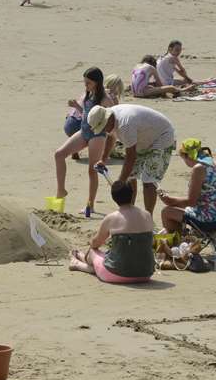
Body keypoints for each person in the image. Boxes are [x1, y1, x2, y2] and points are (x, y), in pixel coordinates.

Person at [85, 103, 174, 215]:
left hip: (162, 136)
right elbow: (111, 137)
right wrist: (103, 159)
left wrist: (120, 182)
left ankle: (148, 217)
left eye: (103, 127)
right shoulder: (110, 114)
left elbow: (131, 157)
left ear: (107, 119)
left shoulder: (125, 125)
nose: (103, 131)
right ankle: (130, 211)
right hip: (144, 137)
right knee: (130, 176)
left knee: (148, 179)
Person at [69, 177, 157, 283]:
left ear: (114, 198)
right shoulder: (147, 215)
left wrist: (90, 249)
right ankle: (81, 257)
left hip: (117, 274)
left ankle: (78, 264)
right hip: (146, 273)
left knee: (93, 252)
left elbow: (96, 243)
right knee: (108, 255)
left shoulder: (112, 218)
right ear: (132, 194)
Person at [54, 66, 117, 217]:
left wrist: (113, 137)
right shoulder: (88, 94)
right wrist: (76, 106)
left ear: (97, 82)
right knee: (59, 154)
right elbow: (87, 115)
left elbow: (116, 117)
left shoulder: (105, 99)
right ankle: (61, 190)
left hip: (98, 135)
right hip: (84, 131)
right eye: (85, 82)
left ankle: (90, 205)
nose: (85, 85)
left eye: (88, 83)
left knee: (92, 170)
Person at [159, 138, 216, 236]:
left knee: (167, 211)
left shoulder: (199, 168)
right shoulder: (215, 163)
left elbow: (191, 202)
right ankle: (182, 238)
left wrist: (169, 200)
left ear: (187, 156)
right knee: (177, 208)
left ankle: (178, 244)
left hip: (210, 220)